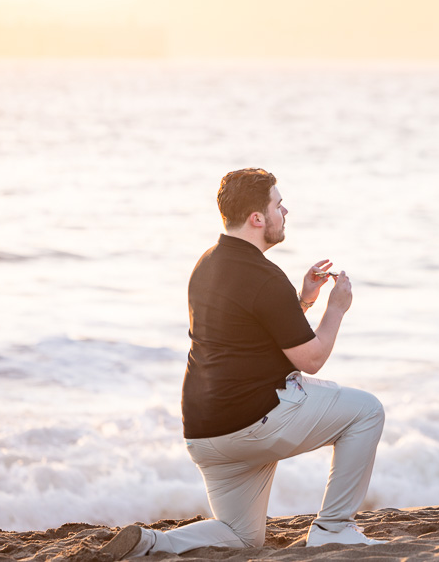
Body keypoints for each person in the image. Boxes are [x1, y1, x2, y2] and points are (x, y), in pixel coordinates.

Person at [102, 168, 386, 558]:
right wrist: (336, 309)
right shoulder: (265, 277)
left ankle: (153, 544)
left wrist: (301, 301)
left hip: (205, 434)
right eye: (278, 204)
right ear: (257, 219)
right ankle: (334, 528)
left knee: (240, 536)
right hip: (253, 425)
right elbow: (312, 359)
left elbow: (248, 335)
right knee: (366, 411)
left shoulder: (206, 264)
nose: (285, 211)